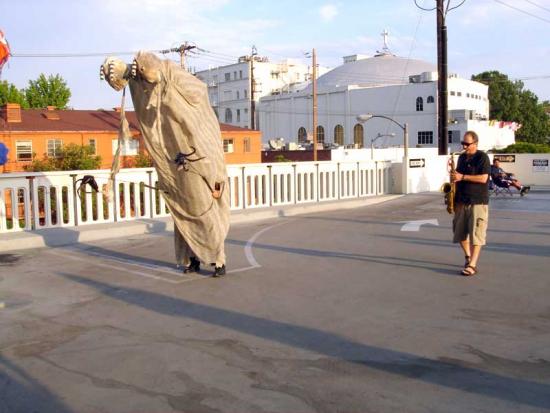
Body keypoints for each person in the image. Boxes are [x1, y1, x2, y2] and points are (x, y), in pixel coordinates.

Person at [451, 131, 491, 276]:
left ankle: (472, 265)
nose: (464, 146)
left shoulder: (482, 157)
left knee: (477, 234)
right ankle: (468, 257)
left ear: (475, 144)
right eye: (463, 143)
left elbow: (483, 178)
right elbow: (457, 177)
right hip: (461, 200)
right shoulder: (461, 157)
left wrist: (463, 176)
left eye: (467, 144)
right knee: (459, 233)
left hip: (477, 201)